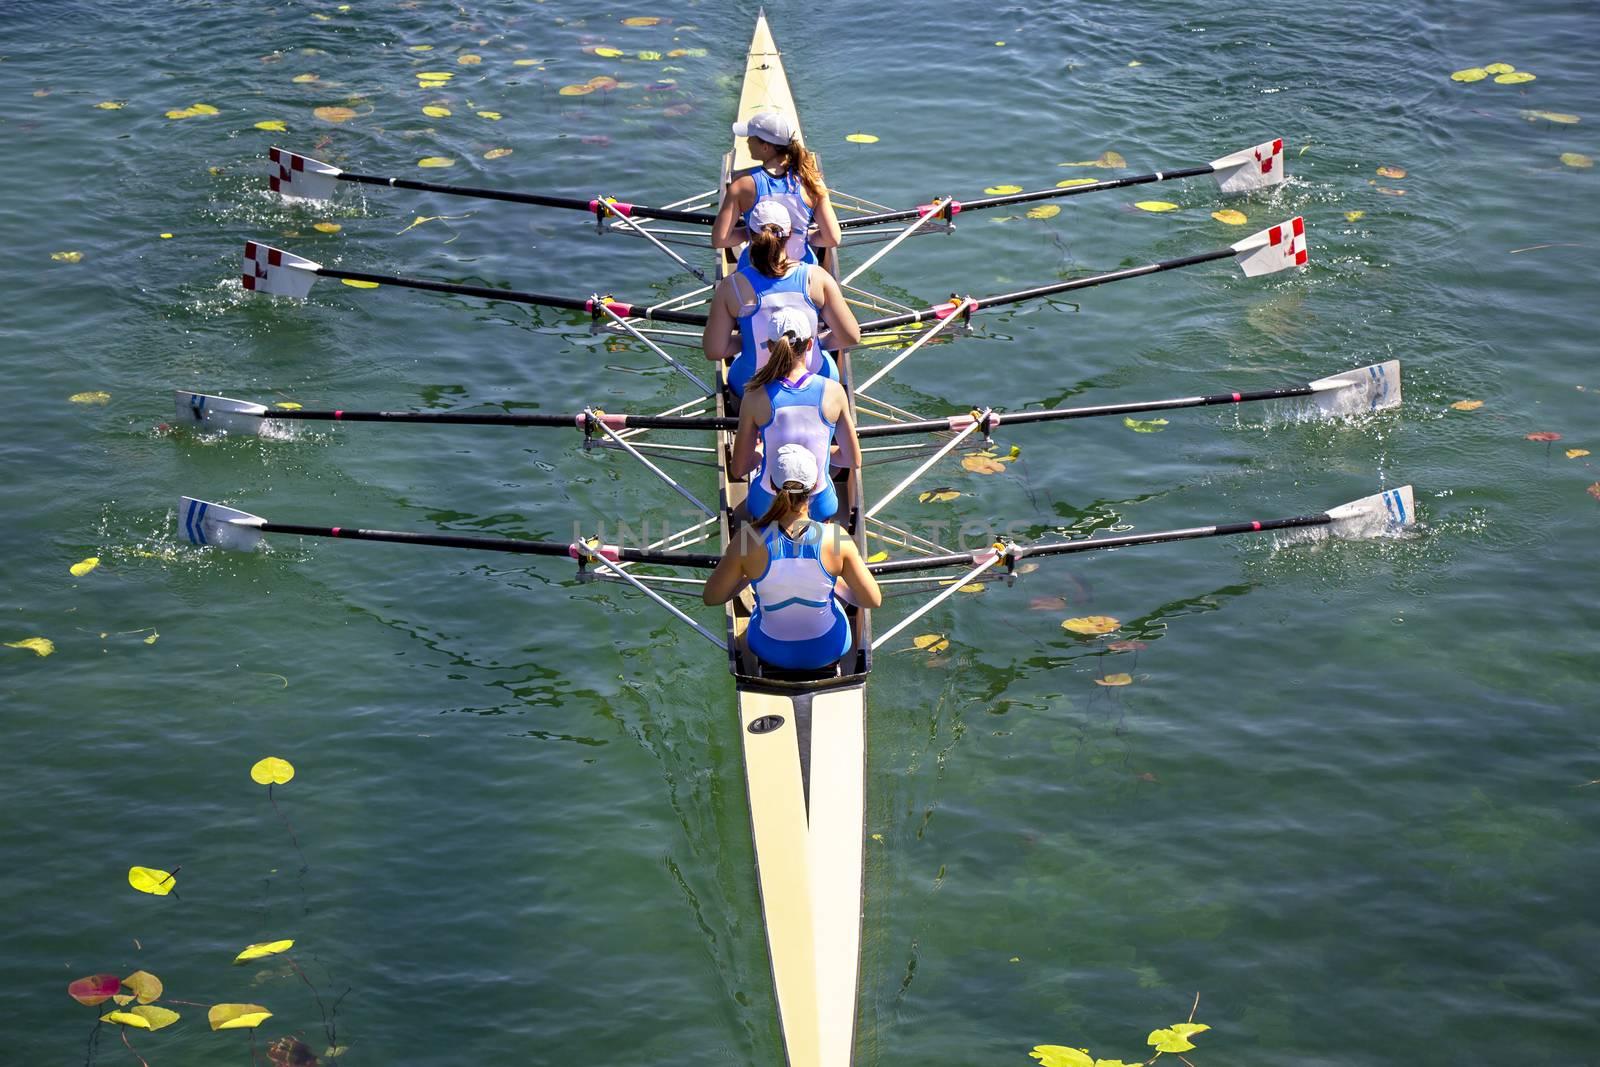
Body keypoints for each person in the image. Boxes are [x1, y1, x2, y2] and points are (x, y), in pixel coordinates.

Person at [703, 444, 882, 670]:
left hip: (769, 649)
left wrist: (748, 575)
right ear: (816, 485)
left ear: (771, 485)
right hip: (829, 648)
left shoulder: (746, 540)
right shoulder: (836, 537)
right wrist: (834, 585)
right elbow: (872, 600)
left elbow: (712, 597)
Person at [701, 200, 861, 399]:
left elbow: (714, 351)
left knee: (738, 369)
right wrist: (810, 342)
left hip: (753, 390)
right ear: (790, 233)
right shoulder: (817, 277)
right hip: (818, 384)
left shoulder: (730, 287)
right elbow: (851, 337)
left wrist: (751, 341)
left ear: (750, 236)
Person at [733, 306, 860, 523]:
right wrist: (824, 453)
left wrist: (762, 453)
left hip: (766, 505)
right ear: (810, 344)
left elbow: (739, 468)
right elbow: (852, 459)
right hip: (819, 505)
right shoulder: (834, 392)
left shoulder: (754, 396)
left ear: (771, 346)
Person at [712, 108, 842, 271]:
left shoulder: (742, 185)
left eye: (750, 137)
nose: (747, 142)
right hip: (802, 270)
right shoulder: (812, 182)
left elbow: (720, 240)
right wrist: (803, 235)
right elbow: (832, 239)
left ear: (765, 147)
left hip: (755, 270)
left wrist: (754, 234)